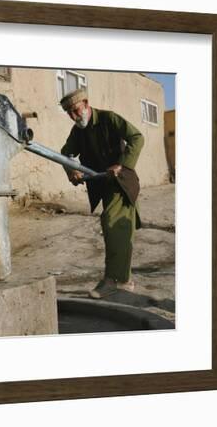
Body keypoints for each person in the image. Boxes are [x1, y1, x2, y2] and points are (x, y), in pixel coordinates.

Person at [59, 88, 144, 299]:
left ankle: (112, 281)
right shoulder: (78, 130)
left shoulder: (109, 118)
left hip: (121, 181)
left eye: (76, 110)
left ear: (86, 104)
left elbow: (137, 137)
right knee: (121, 231)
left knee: (113, 226)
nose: (73, 116)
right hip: (103, 184)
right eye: (69, 113)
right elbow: (65, 154)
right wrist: (72, 170)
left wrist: (122, 165)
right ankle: (125, 280)